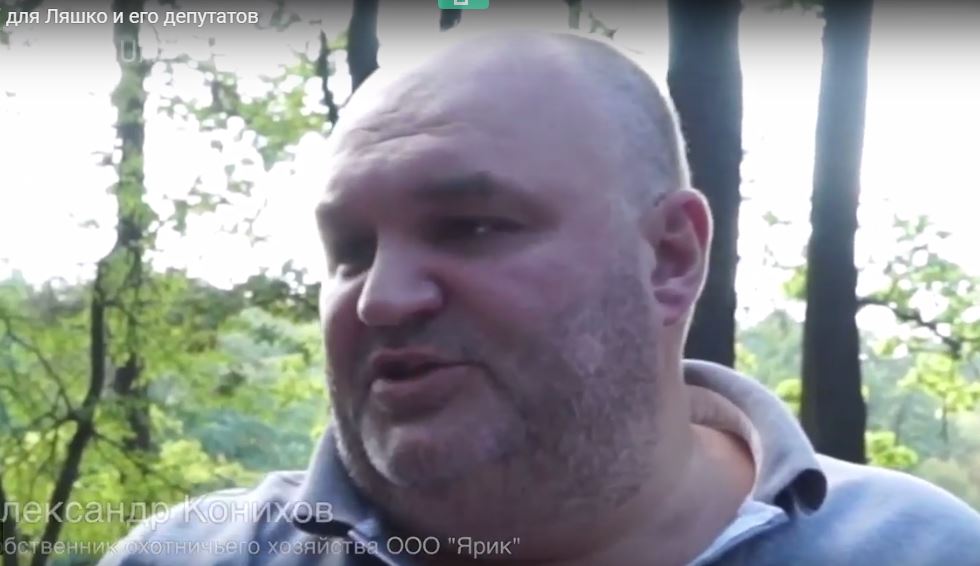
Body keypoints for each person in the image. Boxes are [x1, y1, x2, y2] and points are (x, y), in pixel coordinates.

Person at [100, 31, 980, 566]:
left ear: (670, 258)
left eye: (470, 226)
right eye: (352, 250)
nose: (382, 300)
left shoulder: (923, 552)